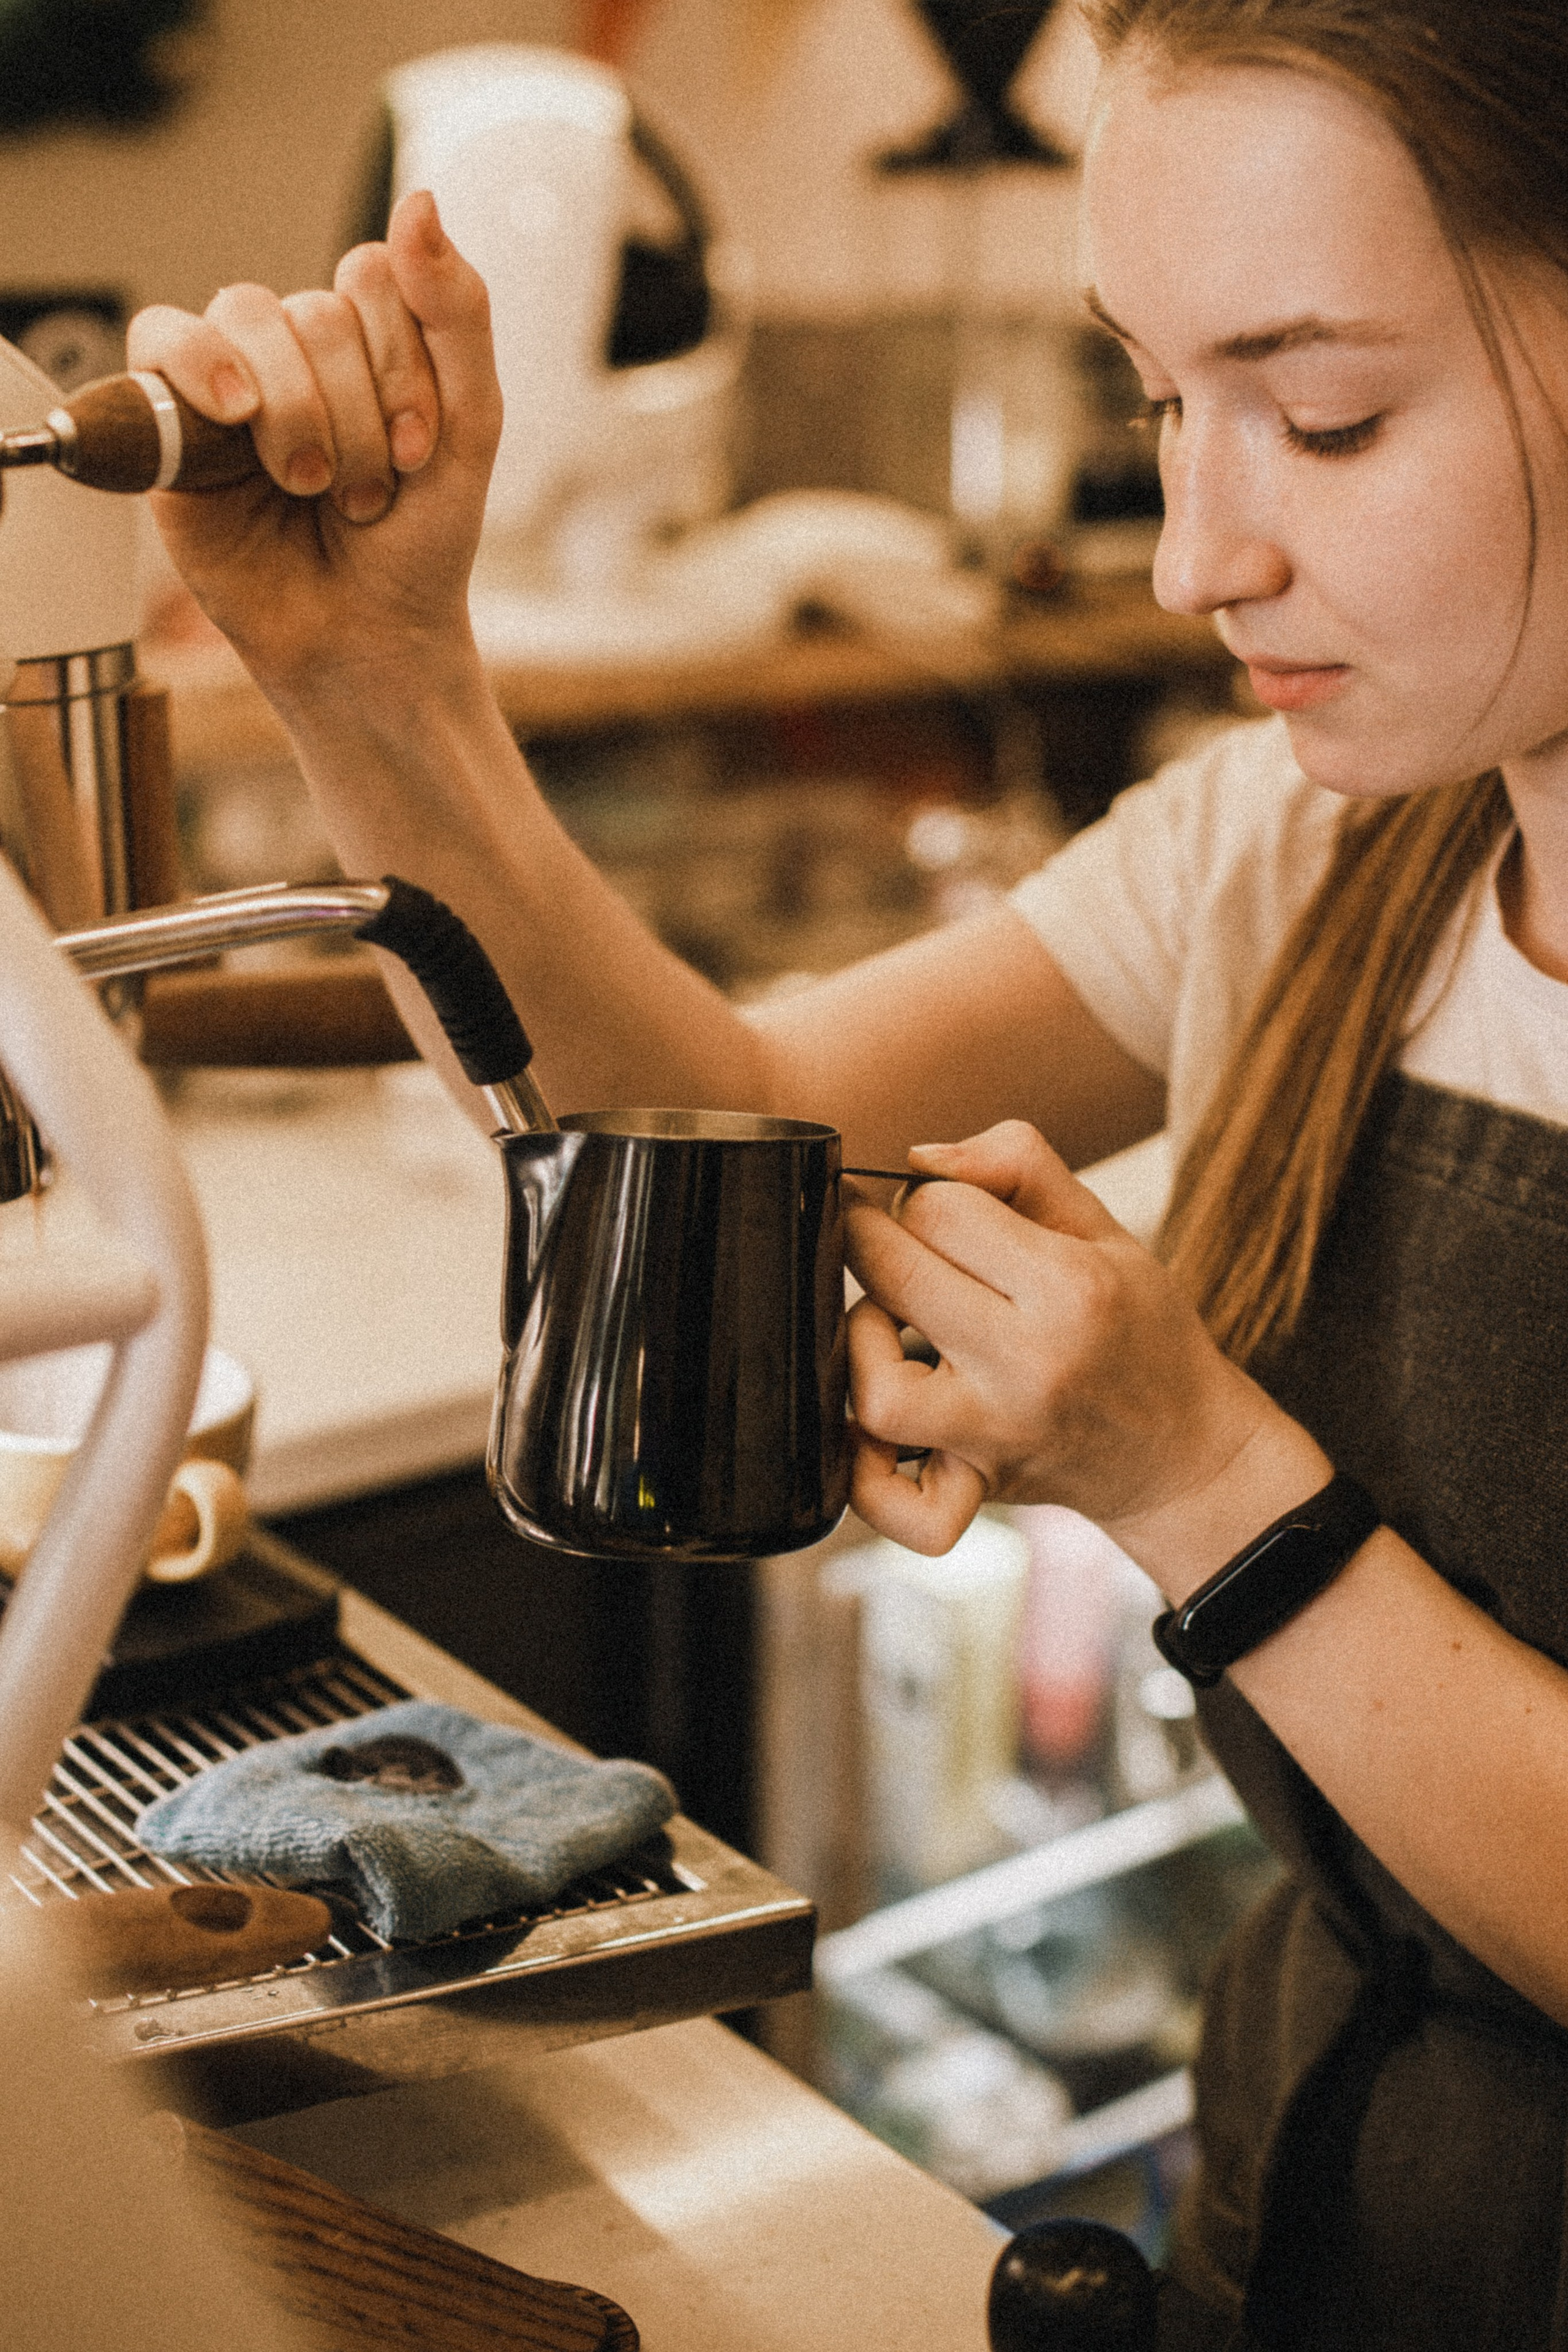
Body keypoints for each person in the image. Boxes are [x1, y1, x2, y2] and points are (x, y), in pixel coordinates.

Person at [129, 2, 1568, 2342]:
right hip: (1307, 2226)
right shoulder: (1305, 858)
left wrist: (1202, 1478)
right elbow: (719, 1122)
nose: (1201, 551)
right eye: (1160, 401)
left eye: (1329, 415)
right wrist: (375, 676)